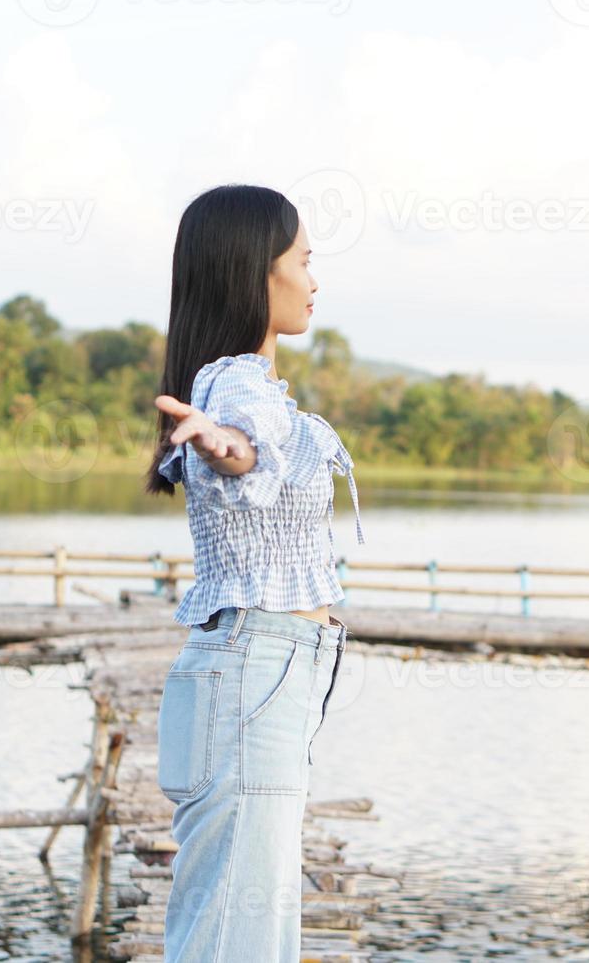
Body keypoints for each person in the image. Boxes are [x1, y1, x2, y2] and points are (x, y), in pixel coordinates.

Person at [143, 183, 365, 961]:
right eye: (303, 260)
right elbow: (247, 449)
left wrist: (226, 444)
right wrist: (220, 445)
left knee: (239, 929)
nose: (314, 279)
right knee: (239, 937)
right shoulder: (235, 386)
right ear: (256, 272)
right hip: (254, 676)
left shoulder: (244, 383)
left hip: (260, 675)